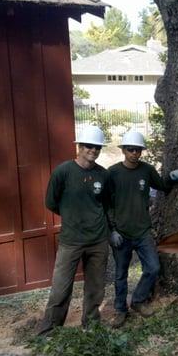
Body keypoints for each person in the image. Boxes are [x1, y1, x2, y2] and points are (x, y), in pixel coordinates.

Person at [37, 125, 110, 336]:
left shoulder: (103, 175)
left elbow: (106, 205)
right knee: (61, 288)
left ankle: (92, 325)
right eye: (89, 146)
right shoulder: (63, 171)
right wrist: (72, 216)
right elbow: (51, 202)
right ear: (79, 146)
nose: (93, 150)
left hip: (98, 240)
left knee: (95, 288)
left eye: (97, 147)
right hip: (71, 241)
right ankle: (50, 330)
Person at [108, 131, 178, 328]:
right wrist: (111, 230)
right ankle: (120, 310)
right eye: (130, 149)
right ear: (123, 150)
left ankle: (138, 300)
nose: (134, 153)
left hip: (142, 231)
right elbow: (105, 204)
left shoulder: (147, 170)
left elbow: (161, 186)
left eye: (138, 150)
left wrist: (173, 178)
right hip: (121, 233)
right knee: (120, 274)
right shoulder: (113, 173)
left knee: (153, 267)